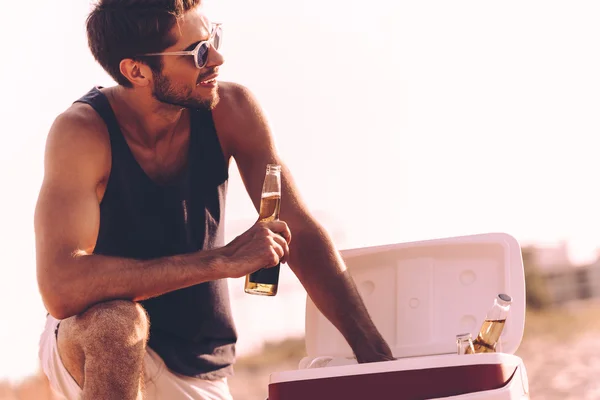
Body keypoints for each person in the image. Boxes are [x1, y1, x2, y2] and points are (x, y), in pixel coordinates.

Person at [34, 0, 394, 399]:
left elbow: (301, 235)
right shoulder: (82, 134)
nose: (218, 58)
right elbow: (61, 285)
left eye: (214, 38)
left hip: (199, 368)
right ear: (136, 70)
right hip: (95, 347)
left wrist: (379, 361)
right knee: (118, 324)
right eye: (199, 52)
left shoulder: (232, 110)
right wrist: (220, 261)